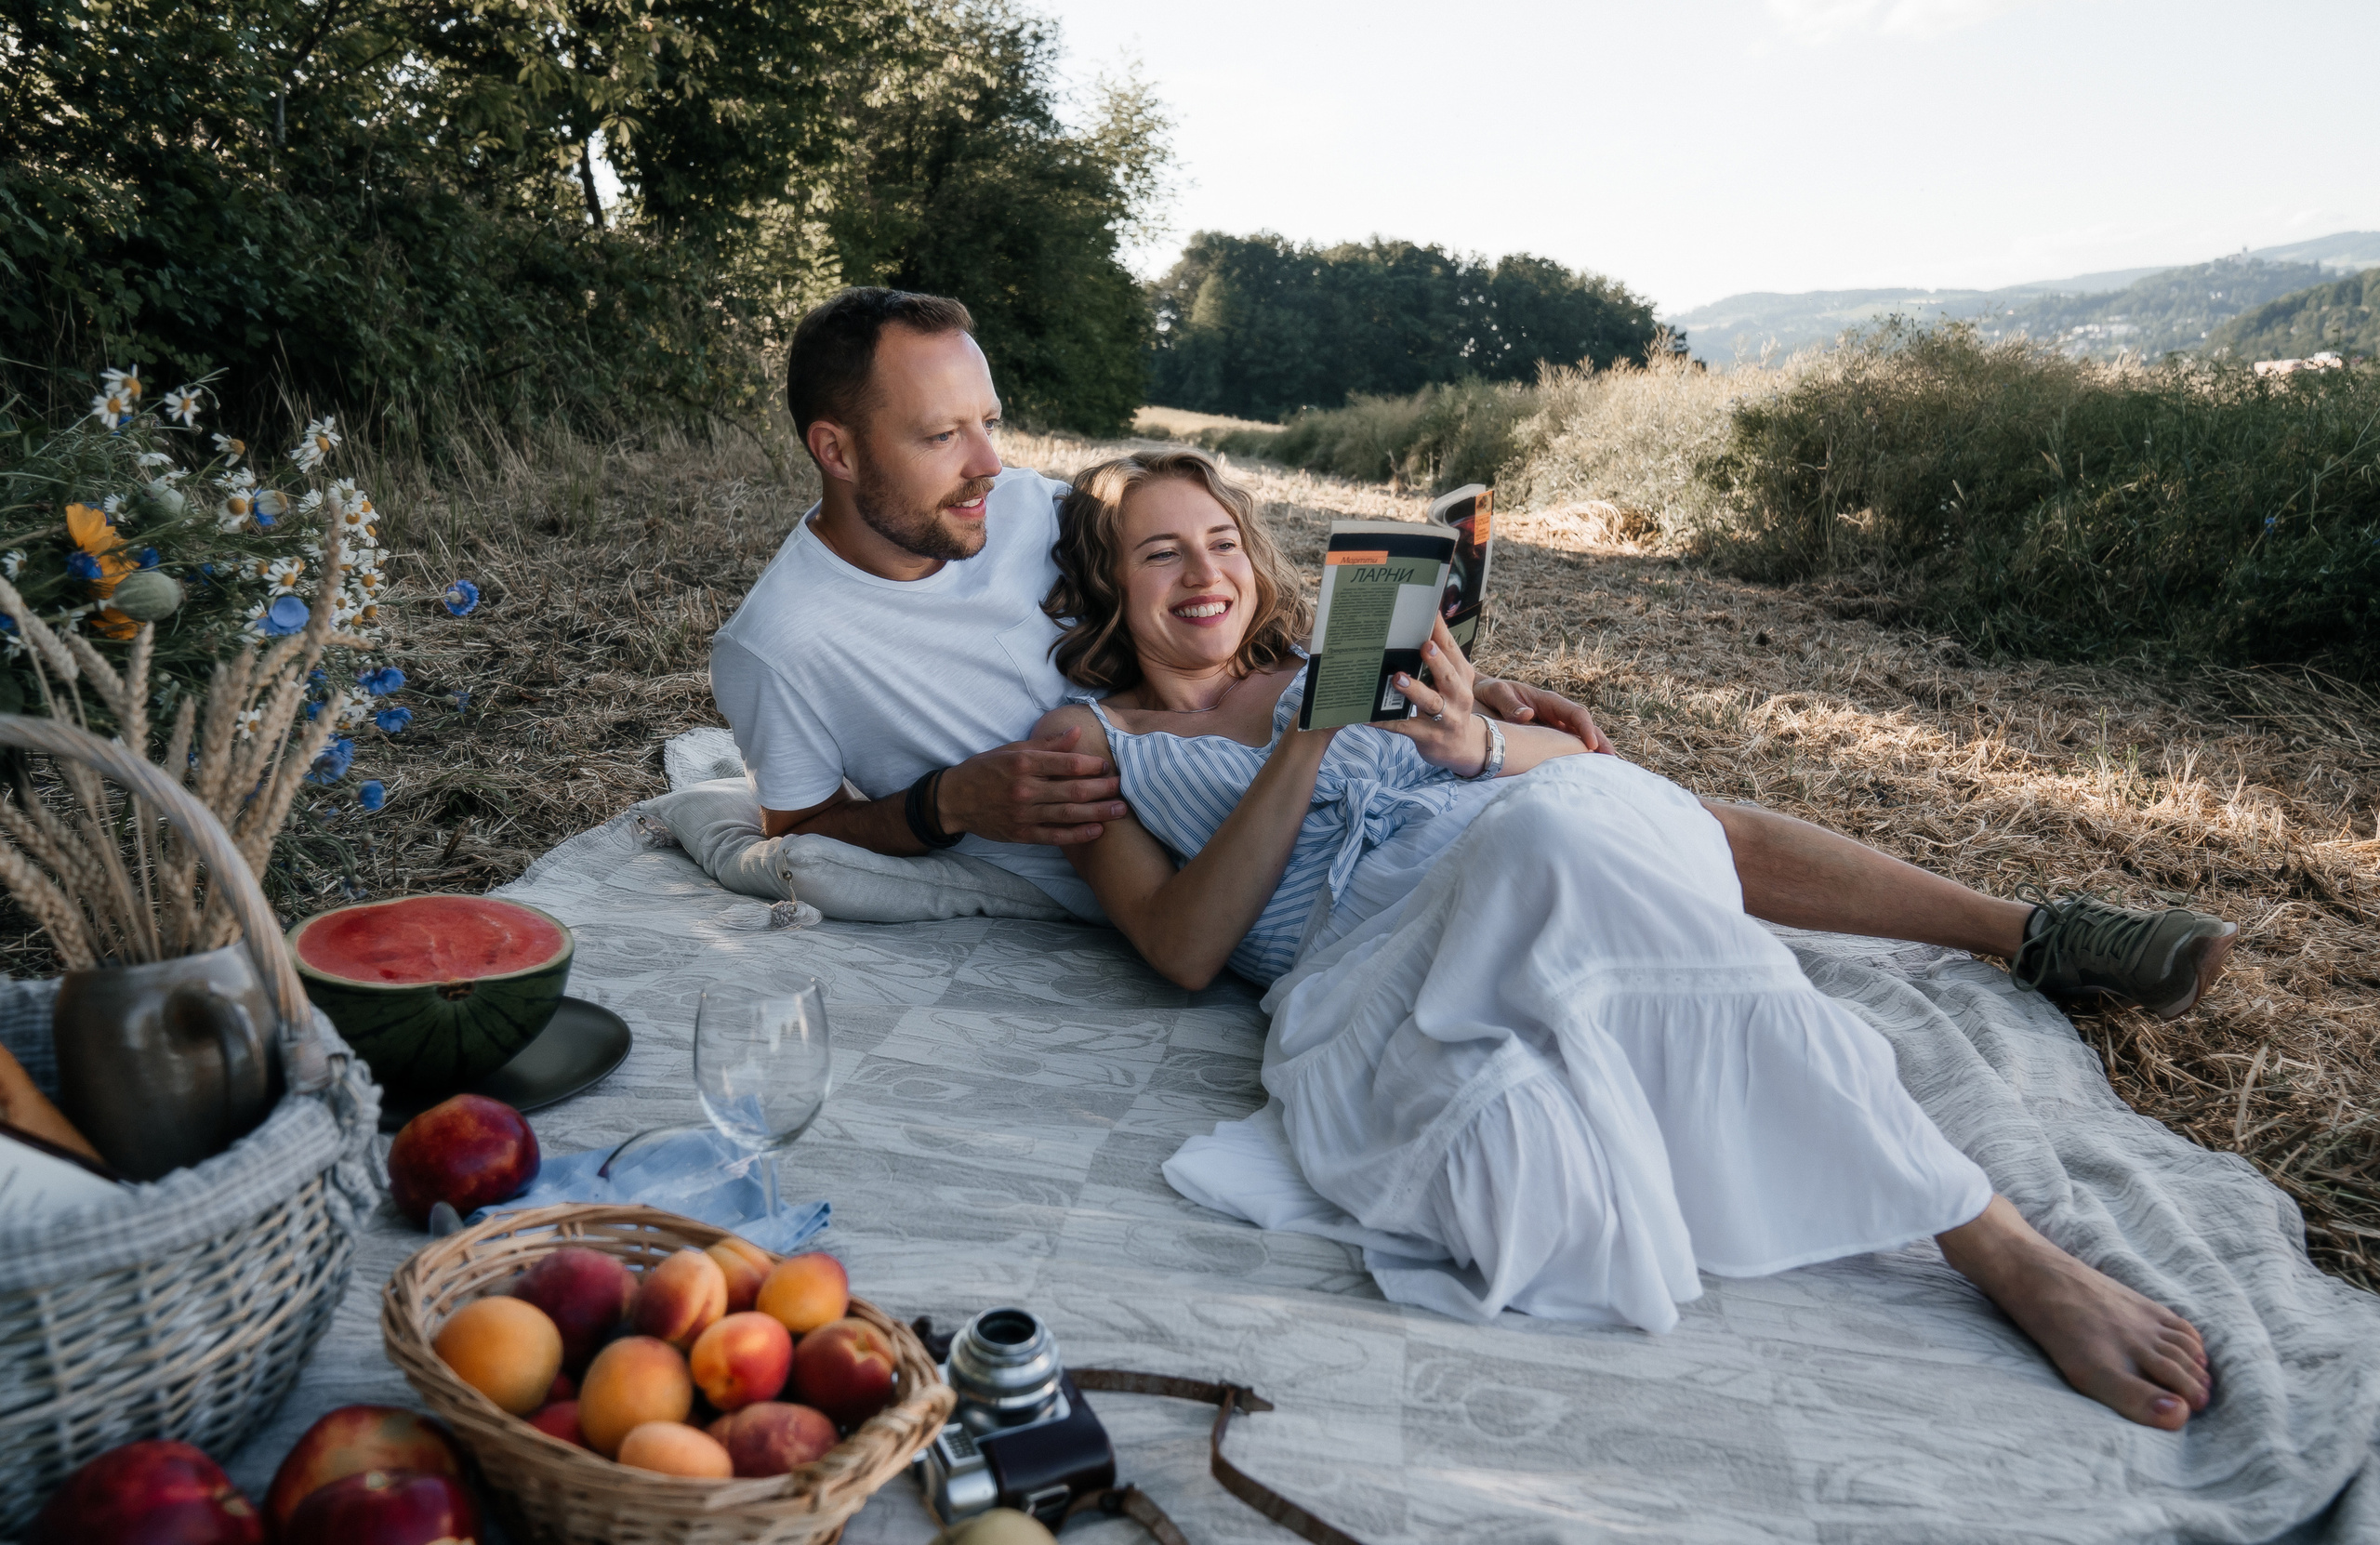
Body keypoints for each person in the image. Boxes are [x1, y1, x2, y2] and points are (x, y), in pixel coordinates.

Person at [1023, 447, 2227, 1431]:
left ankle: (1997, 1223)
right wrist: (1310, 738)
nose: (1205, 572)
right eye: (1161, 551)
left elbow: (1576, 765)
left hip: (1526, 827)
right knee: (1538, 1152)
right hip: (1385, 949)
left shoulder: (1334, 650)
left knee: (1594, 819)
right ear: (1106, 581)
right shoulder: (1096, 742)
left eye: (1224, 539)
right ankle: (1954, 1110)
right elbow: (1184, 949)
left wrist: (1482, 738)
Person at [712, 284, 2238, 1029]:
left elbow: (1214, 603)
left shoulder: (1045, 506)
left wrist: (1440, 689)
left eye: (990, 418)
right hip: (1156, 837)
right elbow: (790, 829)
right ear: (838, 451)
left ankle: (2027, 927)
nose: (992, 462)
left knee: (1625, 806)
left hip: (1273, 755)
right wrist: (945, 807)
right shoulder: (787, 643)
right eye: (944, 436)